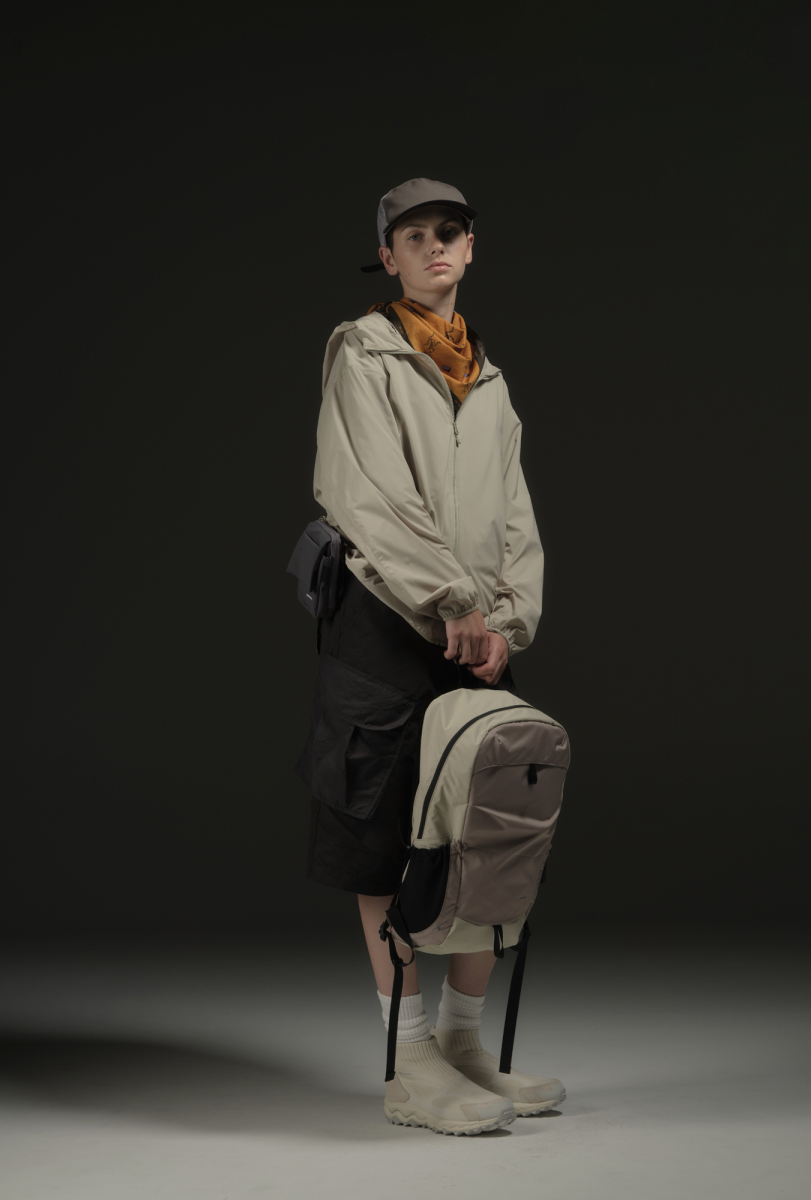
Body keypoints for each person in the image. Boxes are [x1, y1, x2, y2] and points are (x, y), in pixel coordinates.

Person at [295, 178, 564, 1135]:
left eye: (451, 232)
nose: (435, 246)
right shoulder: (363, 352)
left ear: (471, 248)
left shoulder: (488, 378)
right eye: (415, 236)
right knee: (382, 838)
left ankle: (462, 1047)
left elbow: (516, 512)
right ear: (390, 256)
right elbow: (366, 494)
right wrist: (451, 600)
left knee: (488, 832)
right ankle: (408, 1063)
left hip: (477, 638)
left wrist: (507, 621)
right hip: (385, 624)